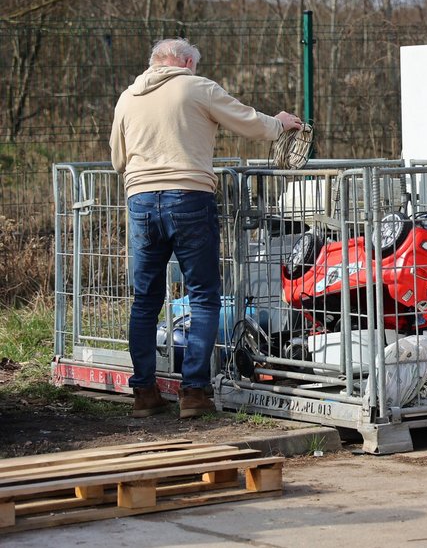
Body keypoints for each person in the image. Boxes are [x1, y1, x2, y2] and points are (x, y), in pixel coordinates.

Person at [110, 38, 302, 419]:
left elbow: (118, 158)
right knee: (203, 295)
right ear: (184, 61)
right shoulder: (196, 87)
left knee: (145, 300)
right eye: (193, 65)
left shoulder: (127, 97)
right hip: (189, 196)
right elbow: (246, 120)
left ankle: (144, 393)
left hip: (141, 201)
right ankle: (194, 392)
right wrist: (277, 124)